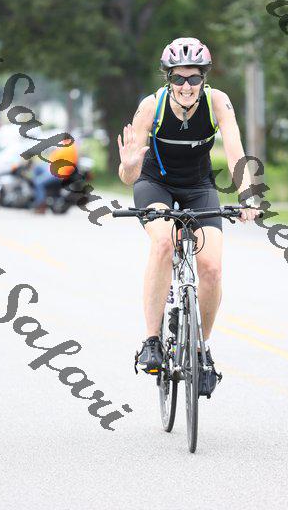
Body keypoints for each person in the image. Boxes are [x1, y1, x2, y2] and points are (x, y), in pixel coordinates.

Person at [117, 37, 260, 397]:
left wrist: (247, 194)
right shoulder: (151, 107)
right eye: (178, 78)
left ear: (203, 79)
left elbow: (235, 151)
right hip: (155, 185)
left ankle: (201, 349)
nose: (186, 86)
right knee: (163, 243)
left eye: (193, 78)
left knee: (211, 268)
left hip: (198, 186)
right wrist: (130, 164)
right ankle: (151, 341)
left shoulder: (217, 102)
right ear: (168, 79)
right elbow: (128, 178)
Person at [32, 138, 78, 213]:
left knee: (38, 182)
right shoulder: (70, 148)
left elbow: (53, 158)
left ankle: (41, 204)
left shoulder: (67, 148)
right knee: (38, 167)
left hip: (58, 174)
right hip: (56, 171)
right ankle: (40, 193)